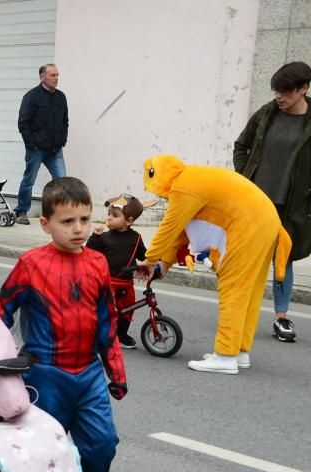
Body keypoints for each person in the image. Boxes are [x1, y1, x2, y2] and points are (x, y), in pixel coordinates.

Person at [0, 176, 126, 472]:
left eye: (84, 219)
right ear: (45, 224)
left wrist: (115, 369)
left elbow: (106, 319)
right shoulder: (31, 264)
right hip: (45, 374)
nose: (78, 229)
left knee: (102, 442)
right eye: (68, 222)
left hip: (89, 374)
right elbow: (1, 308)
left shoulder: (98, 263)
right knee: (47, 449)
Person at [136, 154, 290, 374]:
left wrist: (150, 260)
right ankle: (239, 351)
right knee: (250, 291)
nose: (162, 198)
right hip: (267, 222)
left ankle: (225, 357)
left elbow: (169, 227)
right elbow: (183, 230)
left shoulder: (183, 187)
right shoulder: (194, 179)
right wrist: (165, 263)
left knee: (233, 290)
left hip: (248, 225)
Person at [233, 61, 311, 344]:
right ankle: (238, 310)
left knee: (283, 259)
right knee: (247, 257)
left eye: (286, 91)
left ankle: (281, 318)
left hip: (290, 205)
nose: (279, 96)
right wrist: (243, 178)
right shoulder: (267, 113)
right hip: (255, 201)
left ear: (303, 88)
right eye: (277, 90)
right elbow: (241, 145)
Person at [85, 195, 151, 349]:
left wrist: (156, 260)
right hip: (107, 281)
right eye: (109, 214)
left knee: (127, 310)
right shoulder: (105, 237)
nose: (109, 218)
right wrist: (95, 236)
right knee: (102, 310)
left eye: (115, 215)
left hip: (126, 282)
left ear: (128, 221)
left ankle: (121, 335)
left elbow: (144, 255)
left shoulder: (136, 238)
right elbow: (89, 252)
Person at [14, 64, 68, 225]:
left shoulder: (61, 97)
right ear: (42, 77)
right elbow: (23, 123)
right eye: (53, 75)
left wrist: (62, 140)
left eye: (57, 75)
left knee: (62, 181)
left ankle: (60, 213)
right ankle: (21, 211)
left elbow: (65, 121)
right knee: (29, 180)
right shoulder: (32, 96)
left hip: (55, 150)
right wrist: (32, 145)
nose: (56, 78)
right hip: (36, 150)